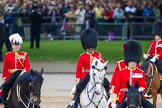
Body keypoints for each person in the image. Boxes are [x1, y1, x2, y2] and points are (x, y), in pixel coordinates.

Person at [72, 28, 110, 108]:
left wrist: (102, 69)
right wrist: (78, 78)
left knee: (107, 85)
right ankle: (75, 103)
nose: (91, 48)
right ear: (86, 46)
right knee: (78, 88)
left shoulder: (98, 55)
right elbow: (79, 68)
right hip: (86, 75)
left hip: (97, 74)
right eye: (89, 47)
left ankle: (109, 100)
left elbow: (103, 66)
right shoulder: (82, 56)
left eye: (92, 47)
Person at [111, 40, 154, 108]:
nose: (133, 63)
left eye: (135, 62)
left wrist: (137, 91)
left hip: (137, 95)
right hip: (124, 95)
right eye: (131, 62)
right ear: (127, 62)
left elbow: (143, 86)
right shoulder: (121, 72)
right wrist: (113, 101)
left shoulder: (141, 72)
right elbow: (116, 88)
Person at [0, 33, 30, 107]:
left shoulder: (24, 54)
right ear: (12, 45)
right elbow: (5, 68)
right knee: (3, 89)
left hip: (21, 76)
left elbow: (27, 66)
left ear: (20, 45)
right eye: (15, 44)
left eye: (18, 45)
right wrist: (4, 78)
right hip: (10, 76)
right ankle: (3, 102)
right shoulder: (7, 55)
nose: (17, 46)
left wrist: (23, 72)